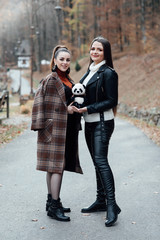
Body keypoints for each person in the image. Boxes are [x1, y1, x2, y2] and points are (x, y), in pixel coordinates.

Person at [31, 45, 83, 222]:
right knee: (56, 167)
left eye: (68, 59)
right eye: (61, 59)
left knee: (53, 167)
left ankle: (51, 201)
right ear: (54, 60)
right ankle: (54, 205)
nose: (65, 62)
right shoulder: (51, 79)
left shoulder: (67, 78)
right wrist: (66, 111)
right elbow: (40, 103)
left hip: (65, 129)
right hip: (54, 129)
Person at [73, 36, 121, 227]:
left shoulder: (108, 73)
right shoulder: (90, 71)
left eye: (99, 50)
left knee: (101, 162)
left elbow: (112, 101)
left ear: (105, 52)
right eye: (93, 48)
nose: (94, 52)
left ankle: (112, 205)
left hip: (102, 122)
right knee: (96, 163)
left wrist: (88, 109)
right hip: (90, 123)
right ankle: (101, 200)